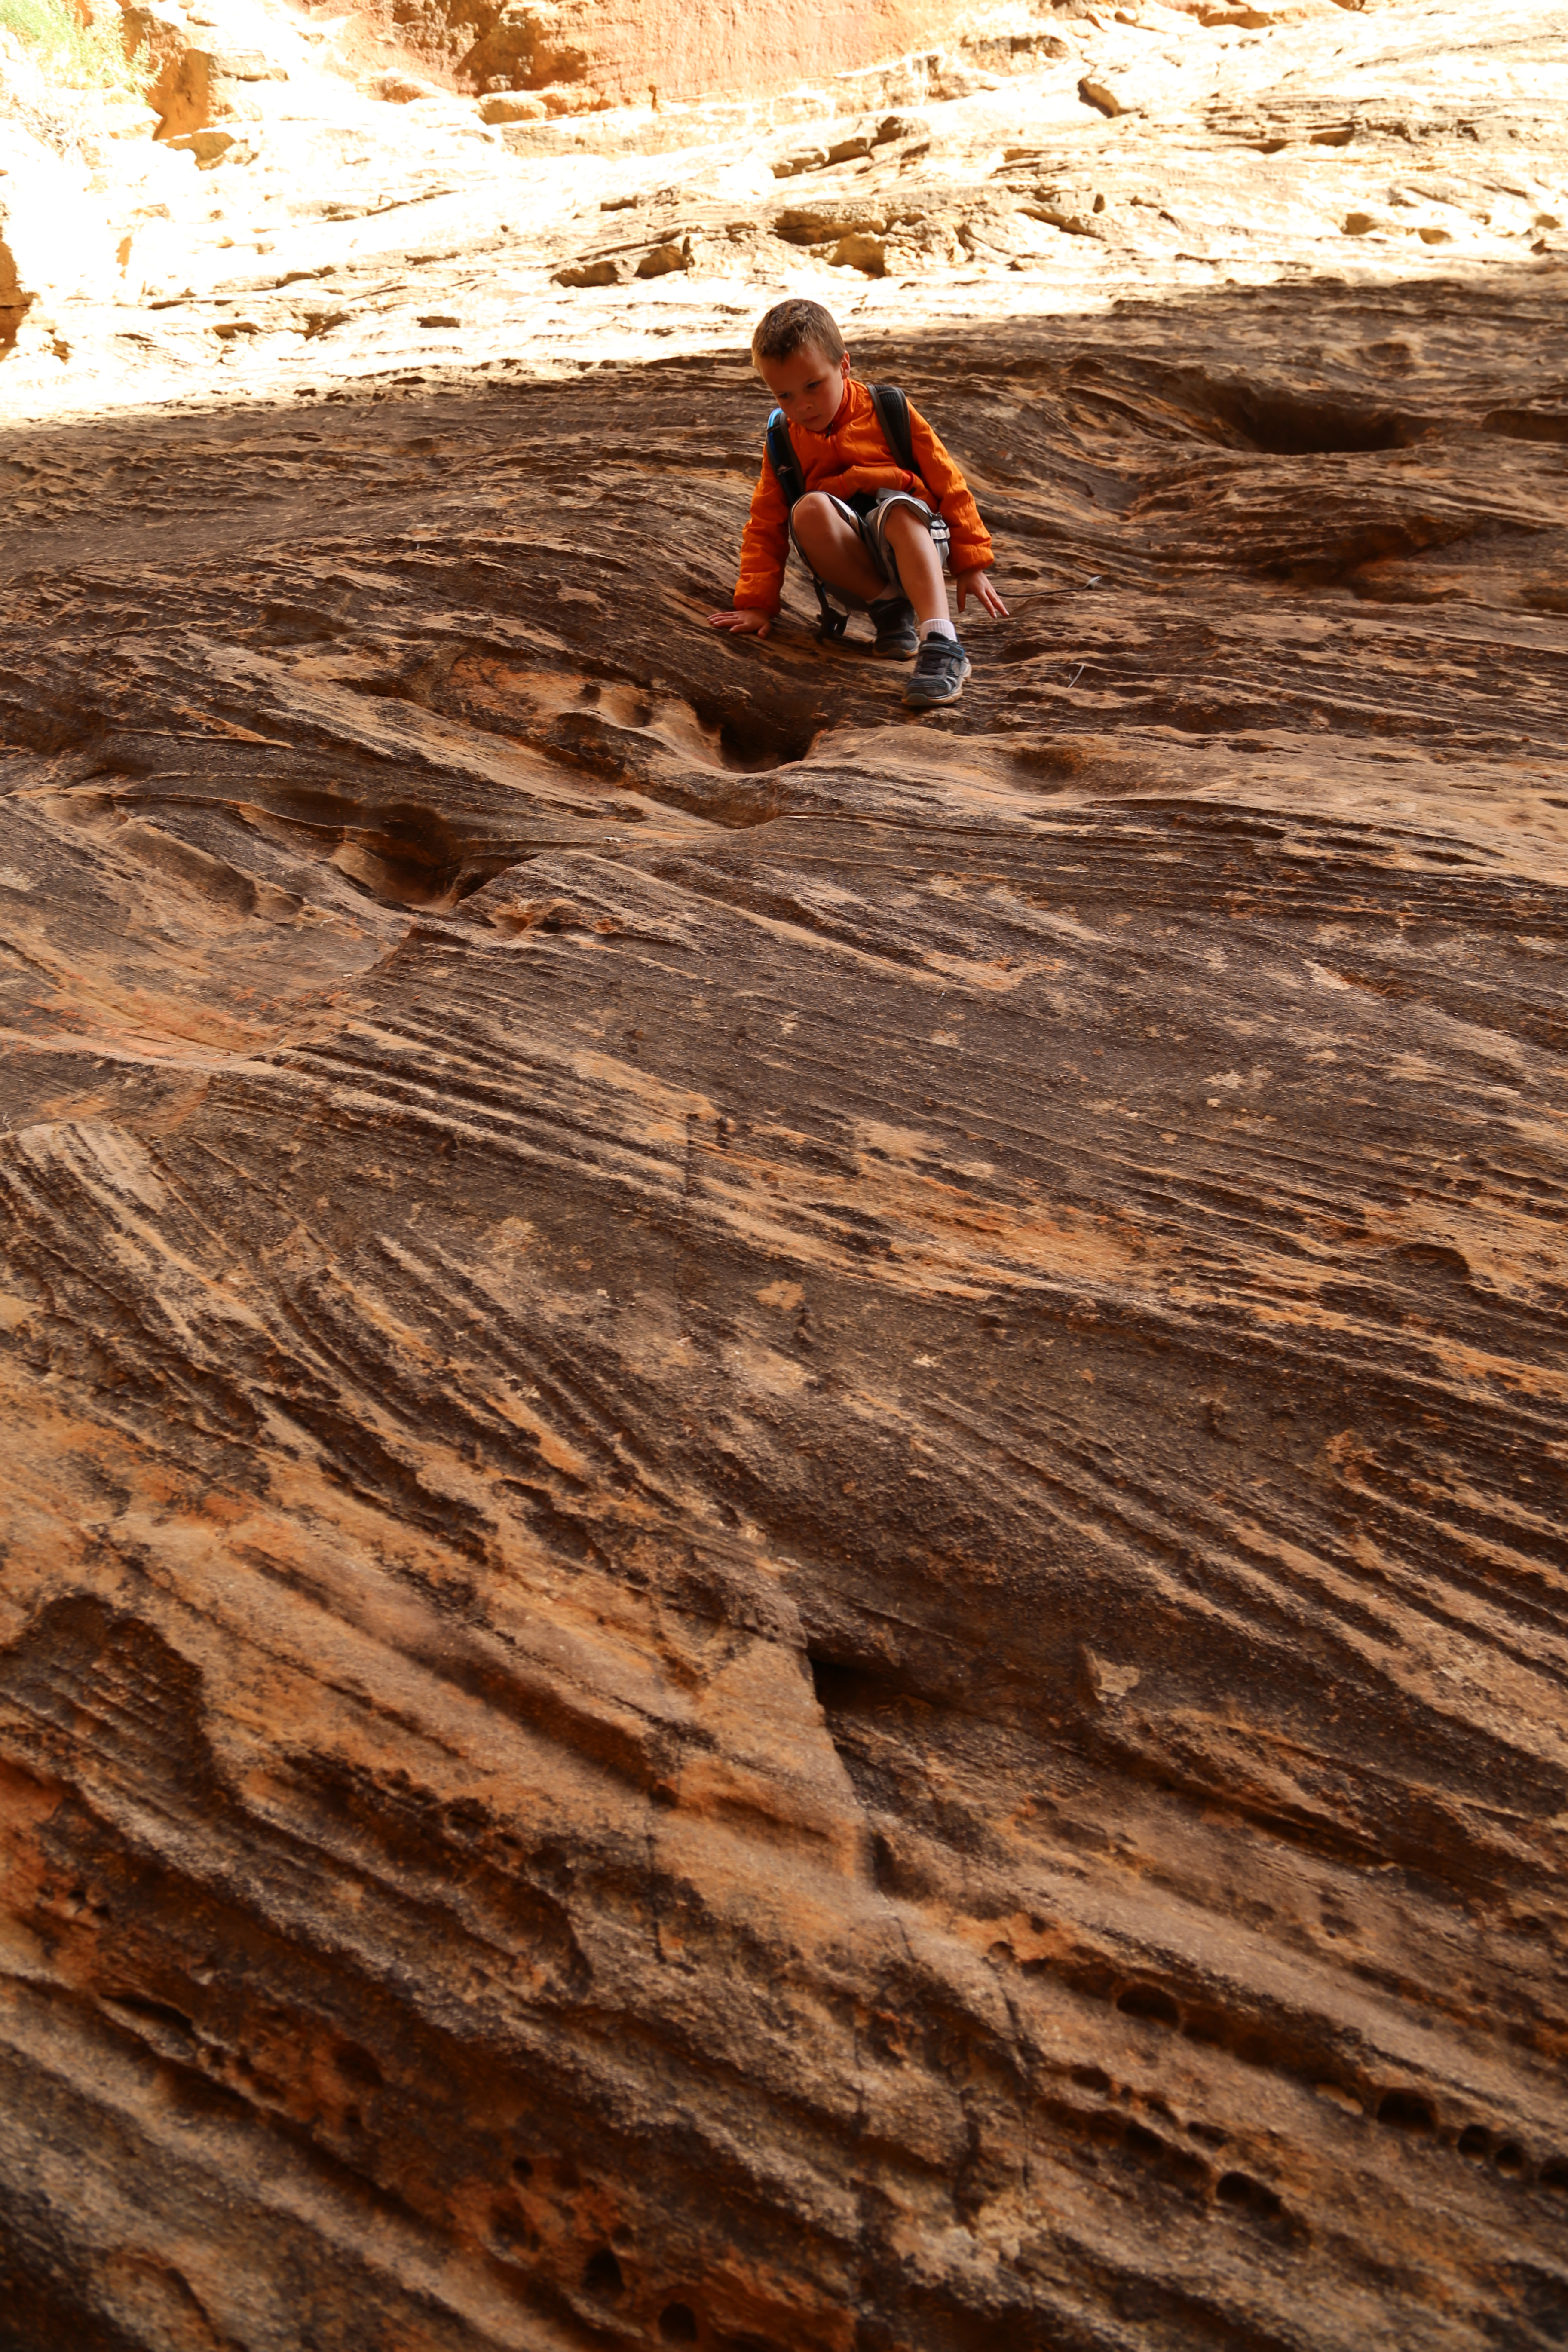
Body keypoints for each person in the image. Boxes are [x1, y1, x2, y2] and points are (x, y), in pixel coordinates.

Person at [709, 297, 1007, 710]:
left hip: (916, 543)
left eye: (813, 385)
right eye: (785, 395)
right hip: (854, 574)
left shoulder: (888, 408)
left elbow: (948, 480)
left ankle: (942, 643)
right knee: (808, 509)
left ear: (844, 366)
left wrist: (970, 564)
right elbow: (765, 524)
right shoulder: (783, 437)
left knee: (899, 511)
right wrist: (758, 605)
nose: (802, 406)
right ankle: (888, 608)